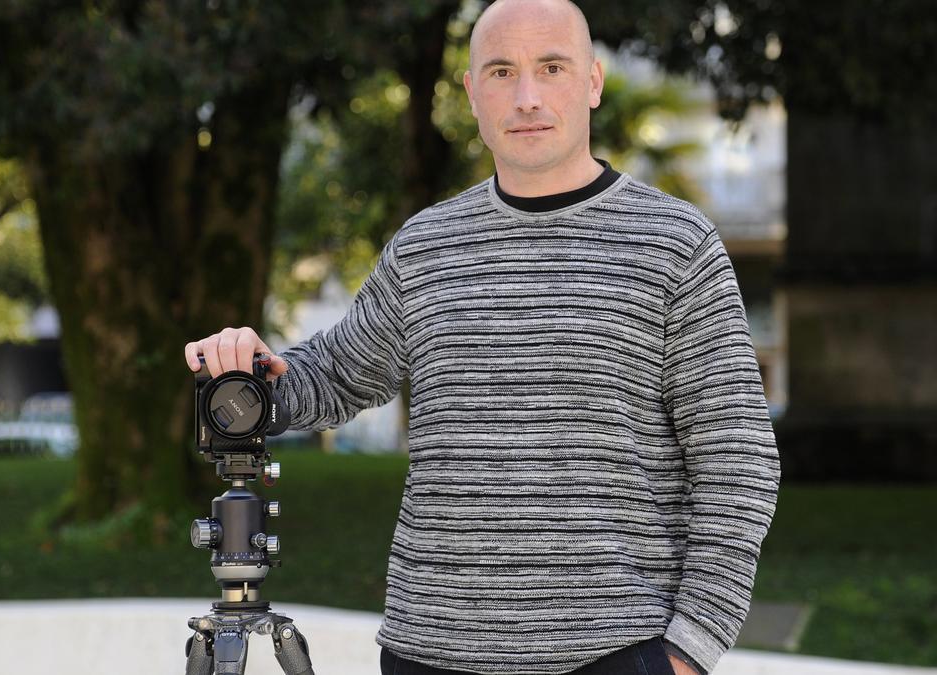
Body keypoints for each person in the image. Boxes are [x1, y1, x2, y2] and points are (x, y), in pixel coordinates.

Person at [183, 0, 781, 673]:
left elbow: (739, 464)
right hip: (428, 651)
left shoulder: (676, 245)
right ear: (471, 93)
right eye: (501, 71)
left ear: (592, 81)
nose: (526, 97)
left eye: (551, 67)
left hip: (610, 651)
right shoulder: (425, 246)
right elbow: (337, 375)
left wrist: (689, 648)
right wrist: (253, 371)